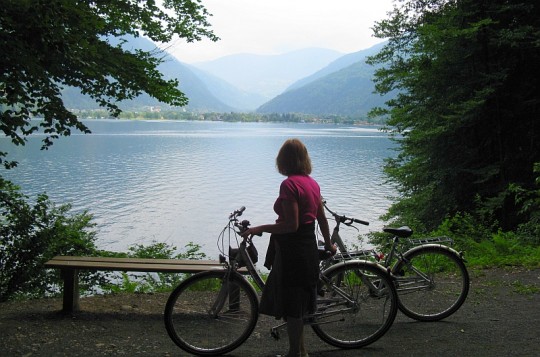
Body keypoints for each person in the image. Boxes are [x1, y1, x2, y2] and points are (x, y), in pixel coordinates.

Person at [241, 138, 336, 357]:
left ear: (283, 160)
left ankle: (295, 353)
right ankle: (301, 351)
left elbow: (291, 226)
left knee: (293, 304)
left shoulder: (289, 184)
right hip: (308, 247)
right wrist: (329, 243)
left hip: (293, 250)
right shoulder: (312, 183)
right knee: (299, 303)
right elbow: (321, 219)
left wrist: (259, 228)